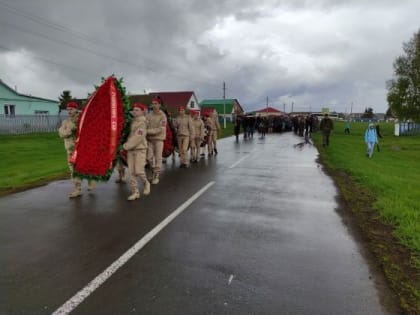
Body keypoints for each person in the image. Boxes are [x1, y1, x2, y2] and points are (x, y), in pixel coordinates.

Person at [58, 101, 95, 198]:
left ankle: (91, 180)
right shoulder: (65, 122)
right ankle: (77, 189)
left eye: (71, 109)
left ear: (76, 109)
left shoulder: (82, 120)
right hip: (70, 150)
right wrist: (69, 130)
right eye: (68, 109)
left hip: (82, 149)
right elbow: (61, 133)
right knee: (73, 170)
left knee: (85, 167)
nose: (69, 111)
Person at [122, 103, 150, 201]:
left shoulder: (143, 122)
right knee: (131, 172)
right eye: (134, 110)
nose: (134, 111)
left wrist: (125, 146)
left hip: (140, 149)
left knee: (139, 171)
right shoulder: (133, 121)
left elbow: (138, 137)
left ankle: (146, 183)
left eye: (137, 110)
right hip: (131, 150)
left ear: (142, 112)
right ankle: (135, 192)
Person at [146, 97, 167, 184]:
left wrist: (147, 131)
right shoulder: (149, 115)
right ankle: (153, 170)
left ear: (159, 105)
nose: (154, 105)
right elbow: (145, 124)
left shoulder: (163, 116)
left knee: (158, 158)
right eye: (153, 103)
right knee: (149, 158)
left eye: (155, 104)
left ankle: (156, 176)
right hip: (149, 140)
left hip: (159, 139)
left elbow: (161, 129)